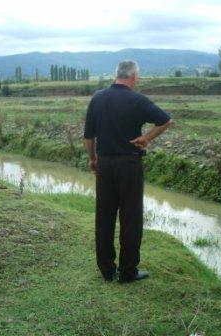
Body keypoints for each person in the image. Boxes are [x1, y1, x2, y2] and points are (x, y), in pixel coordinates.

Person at [84, 60, 172, 283]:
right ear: (133, 77)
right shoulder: (137, 100)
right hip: (129, 165)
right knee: (130, 218)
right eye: (137, 76)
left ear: (116, 75)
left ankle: (106, 270)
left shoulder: (98, 98)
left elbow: (88, 136)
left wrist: (93, 159)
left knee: (104, 217)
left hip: (104, 164)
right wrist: (146, 139)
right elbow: (165, 120)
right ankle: (127, 272)